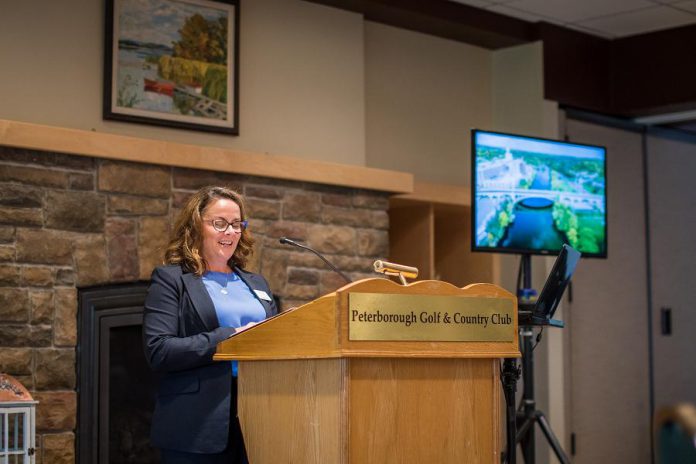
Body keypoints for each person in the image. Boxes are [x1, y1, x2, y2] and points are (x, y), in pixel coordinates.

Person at [143, 186, 278, 464]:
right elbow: (159, 350)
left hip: (260, 418)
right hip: (197, 424)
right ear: (195, 226)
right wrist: (229, 338)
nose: (230, 232)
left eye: (236, 224)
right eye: (219, 223)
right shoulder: (172, 280)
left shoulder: (257, 283)